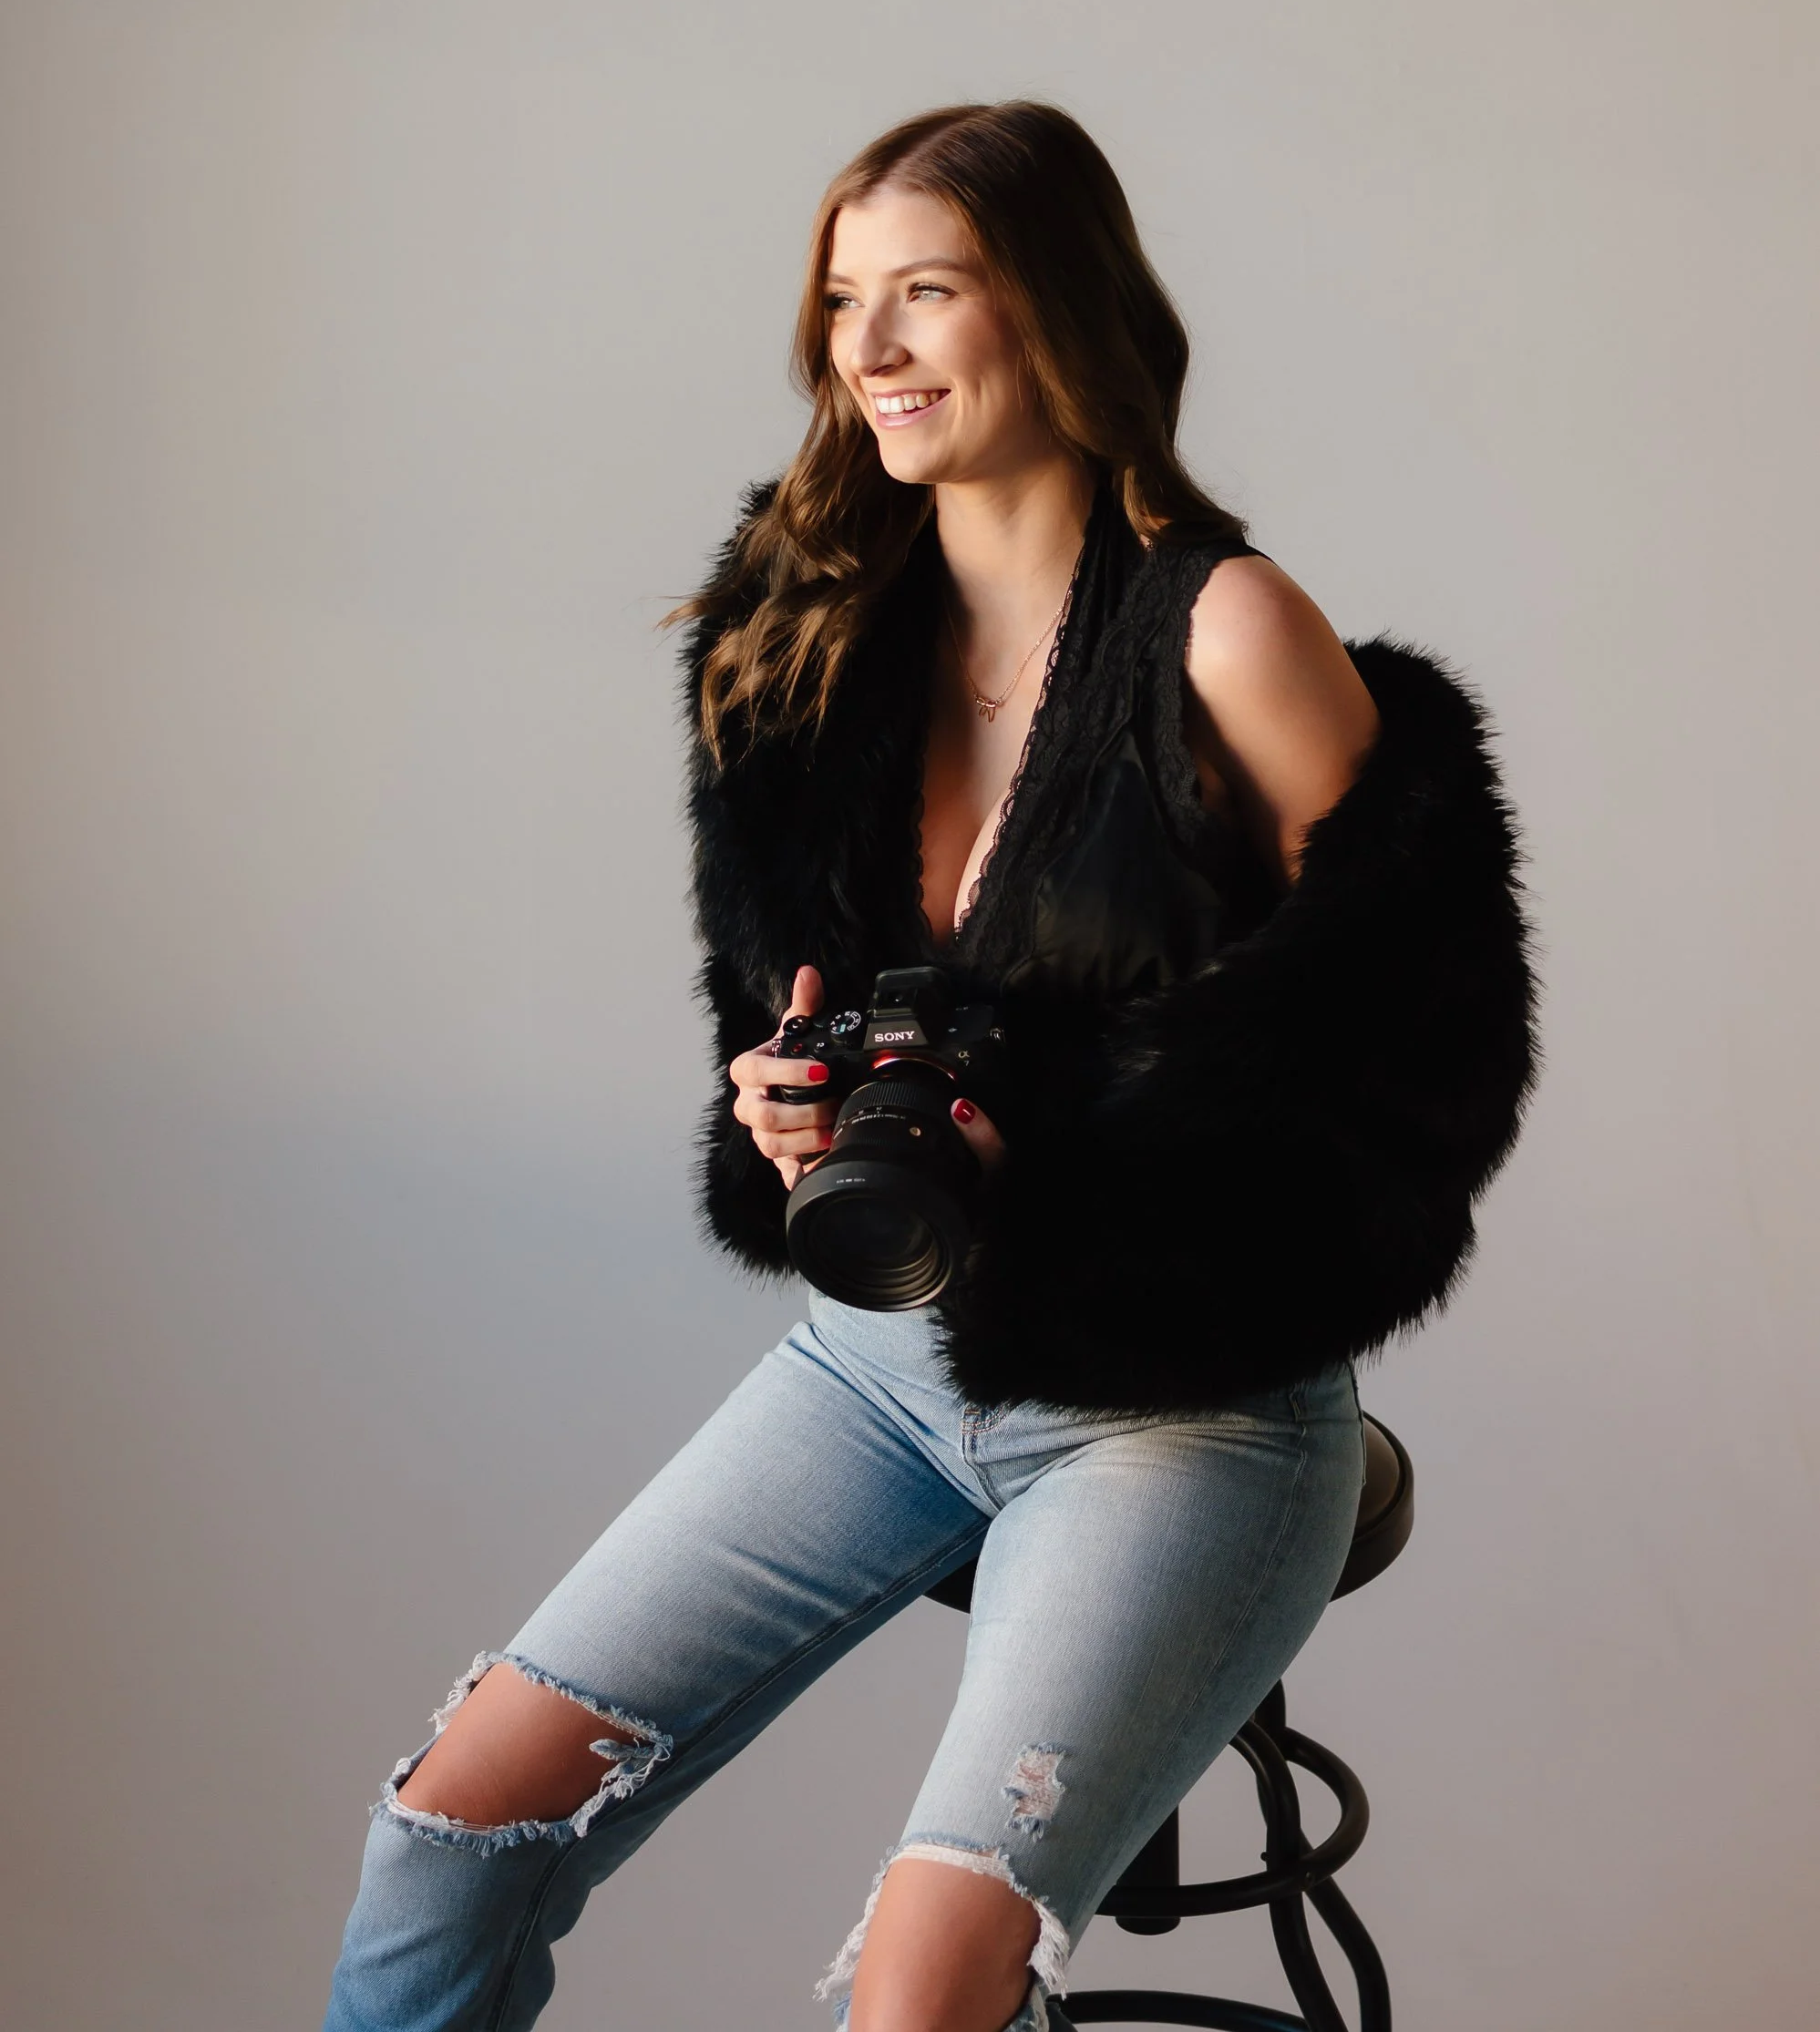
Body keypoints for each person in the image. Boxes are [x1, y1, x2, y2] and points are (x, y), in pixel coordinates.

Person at [323, 102, 1536, 2032]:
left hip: (1181, 1409)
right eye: (837, 302)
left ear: (1052, 312)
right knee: (449, 1834)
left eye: (923, 294)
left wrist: (1095, 1161)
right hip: (874, 1364)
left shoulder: (1228, 631)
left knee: (920, 1997)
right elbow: (781, 1008)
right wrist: (781, 1113)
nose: (863, 351)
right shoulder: (801, 646)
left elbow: (1422, 1062)